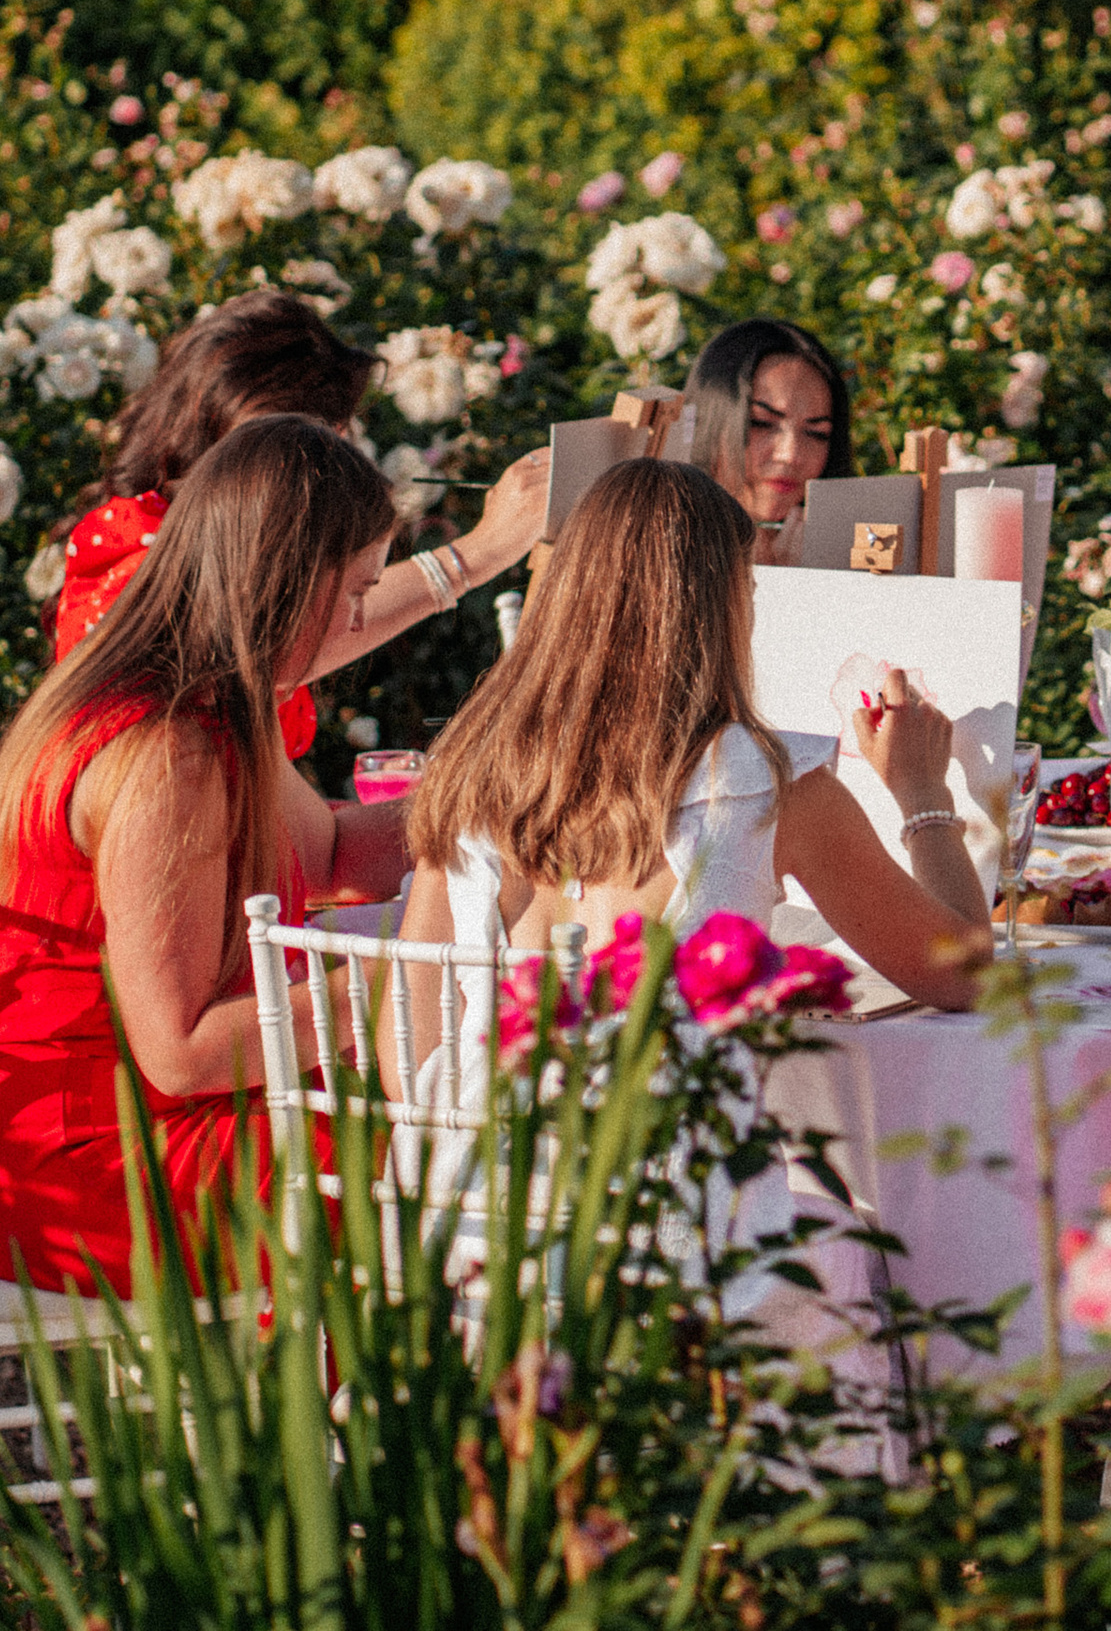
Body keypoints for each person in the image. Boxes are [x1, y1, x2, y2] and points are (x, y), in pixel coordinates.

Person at [0, 418, 409, 1294]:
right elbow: (180, 1051)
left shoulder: (219, 696)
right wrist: (405, 990)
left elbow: (335, 849)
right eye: (354, 592)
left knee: (448, 1136)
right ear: (288, 579)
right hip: (96, 1163)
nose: (355, 622)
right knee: (439, 1162)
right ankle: (366, 1426)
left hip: (151, 1121)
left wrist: (518, 800)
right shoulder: (166, 750)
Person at [401, 457, 991, 1047]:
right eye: (750, 591)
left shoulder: (466, 773)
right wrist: (922, 793)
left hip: (486, 1136)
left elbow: (406, 1042)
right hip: (674, 1141)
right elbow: (964, 975)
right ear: (720, 611)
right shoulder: (770, 785)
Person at [51, 287, 551, 758]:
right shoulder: (136, 554)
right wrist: (478, 553)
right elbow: (248, 651)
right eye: (324, 443)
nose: (344, 452)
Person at [684, 317, 855, 565]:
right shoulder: (652, 552)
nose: (790, 454)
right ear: (710, 420)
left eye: (817, 433)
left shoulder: (847, 556)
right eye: (761, 422)